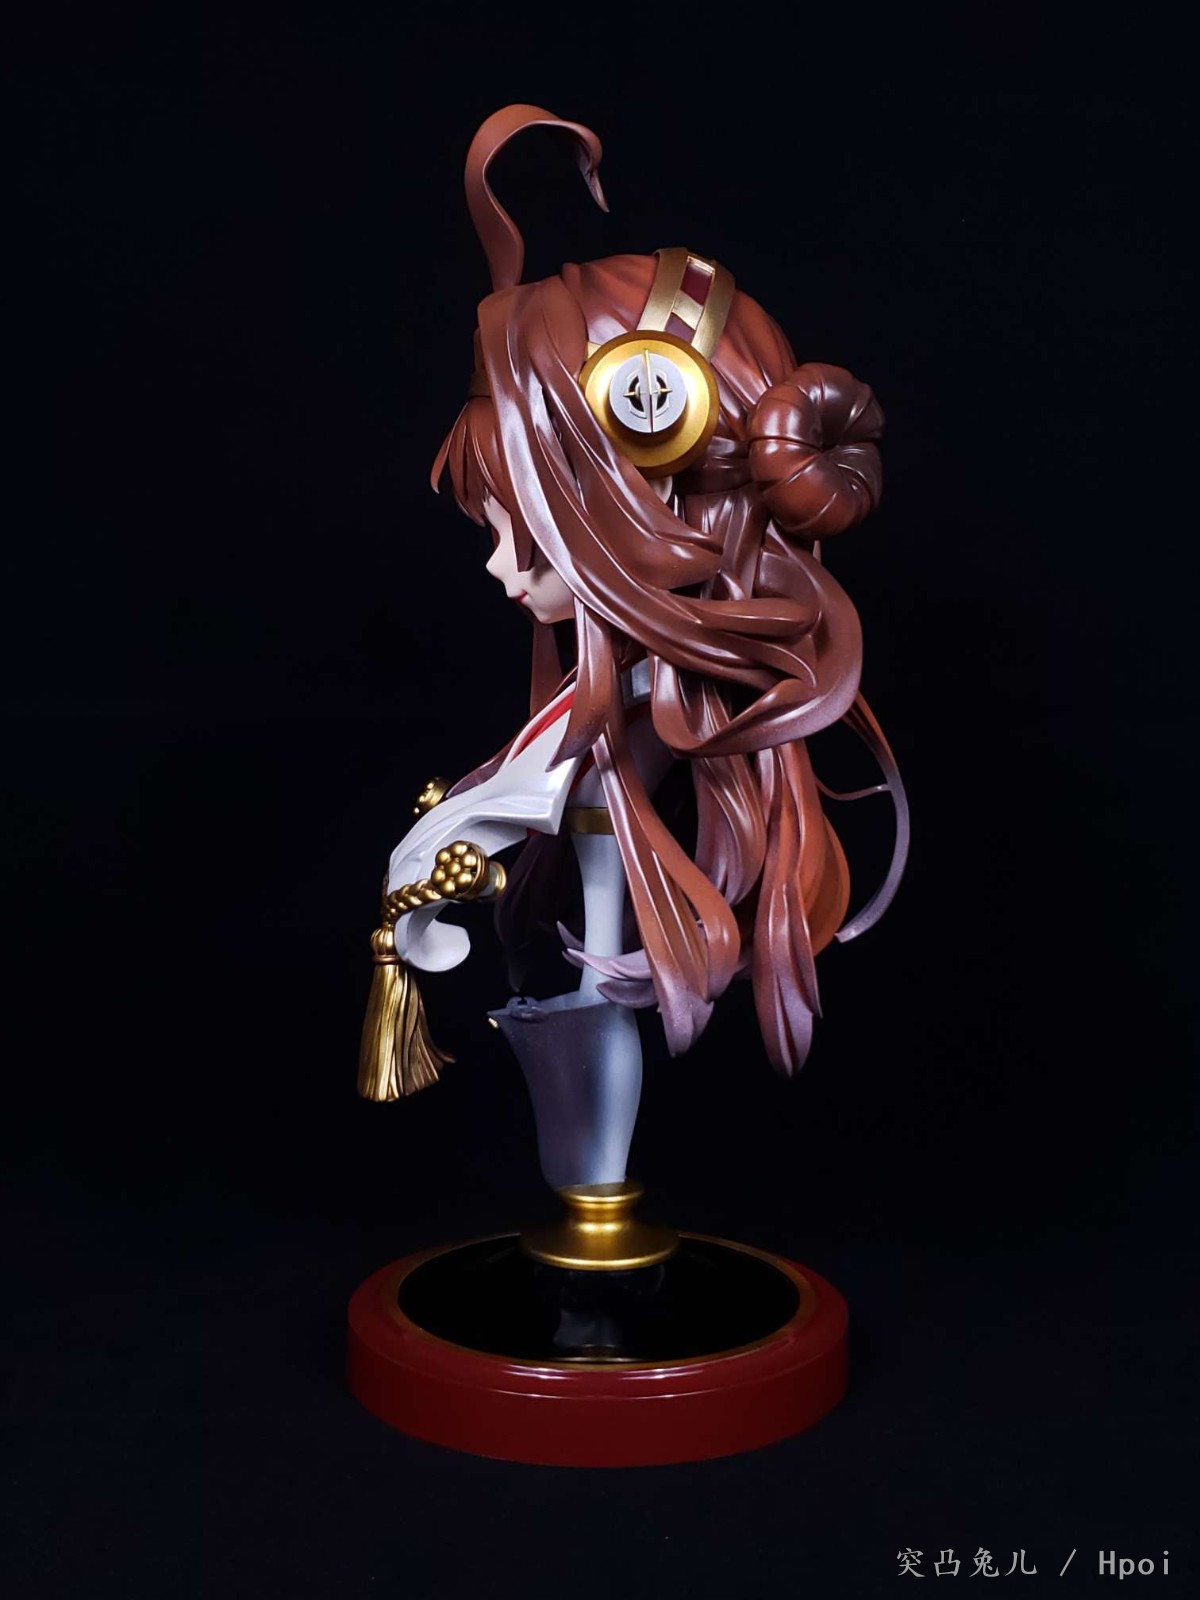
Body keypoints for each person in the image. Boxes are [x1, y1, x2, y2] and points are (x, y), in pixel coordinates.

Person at [362, 104, 908, 1194]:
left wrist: (432, 861)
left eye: (525, 528)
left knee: (594, 988)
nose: (499, 568)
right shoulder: (614, 697)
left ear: (646, 497)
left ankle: (596, 1206)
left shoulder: (650, 696)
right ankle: (589, 1203)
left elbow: (541, 787)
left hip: (600, 938)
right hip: (591, 904)